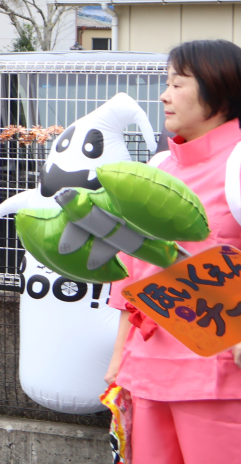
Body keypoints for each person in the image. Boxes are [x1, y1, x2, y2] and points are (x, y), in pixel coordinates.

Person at [104, 39, 241, 464]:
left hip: (219, 377)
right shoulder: (159, 168)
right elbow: (133, 277)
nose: (164, 95)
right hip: (146, 370)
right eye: (167, 83)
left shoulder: (237, 162)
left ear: (218, 90)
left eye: (178, 84)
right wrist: (118, 361)